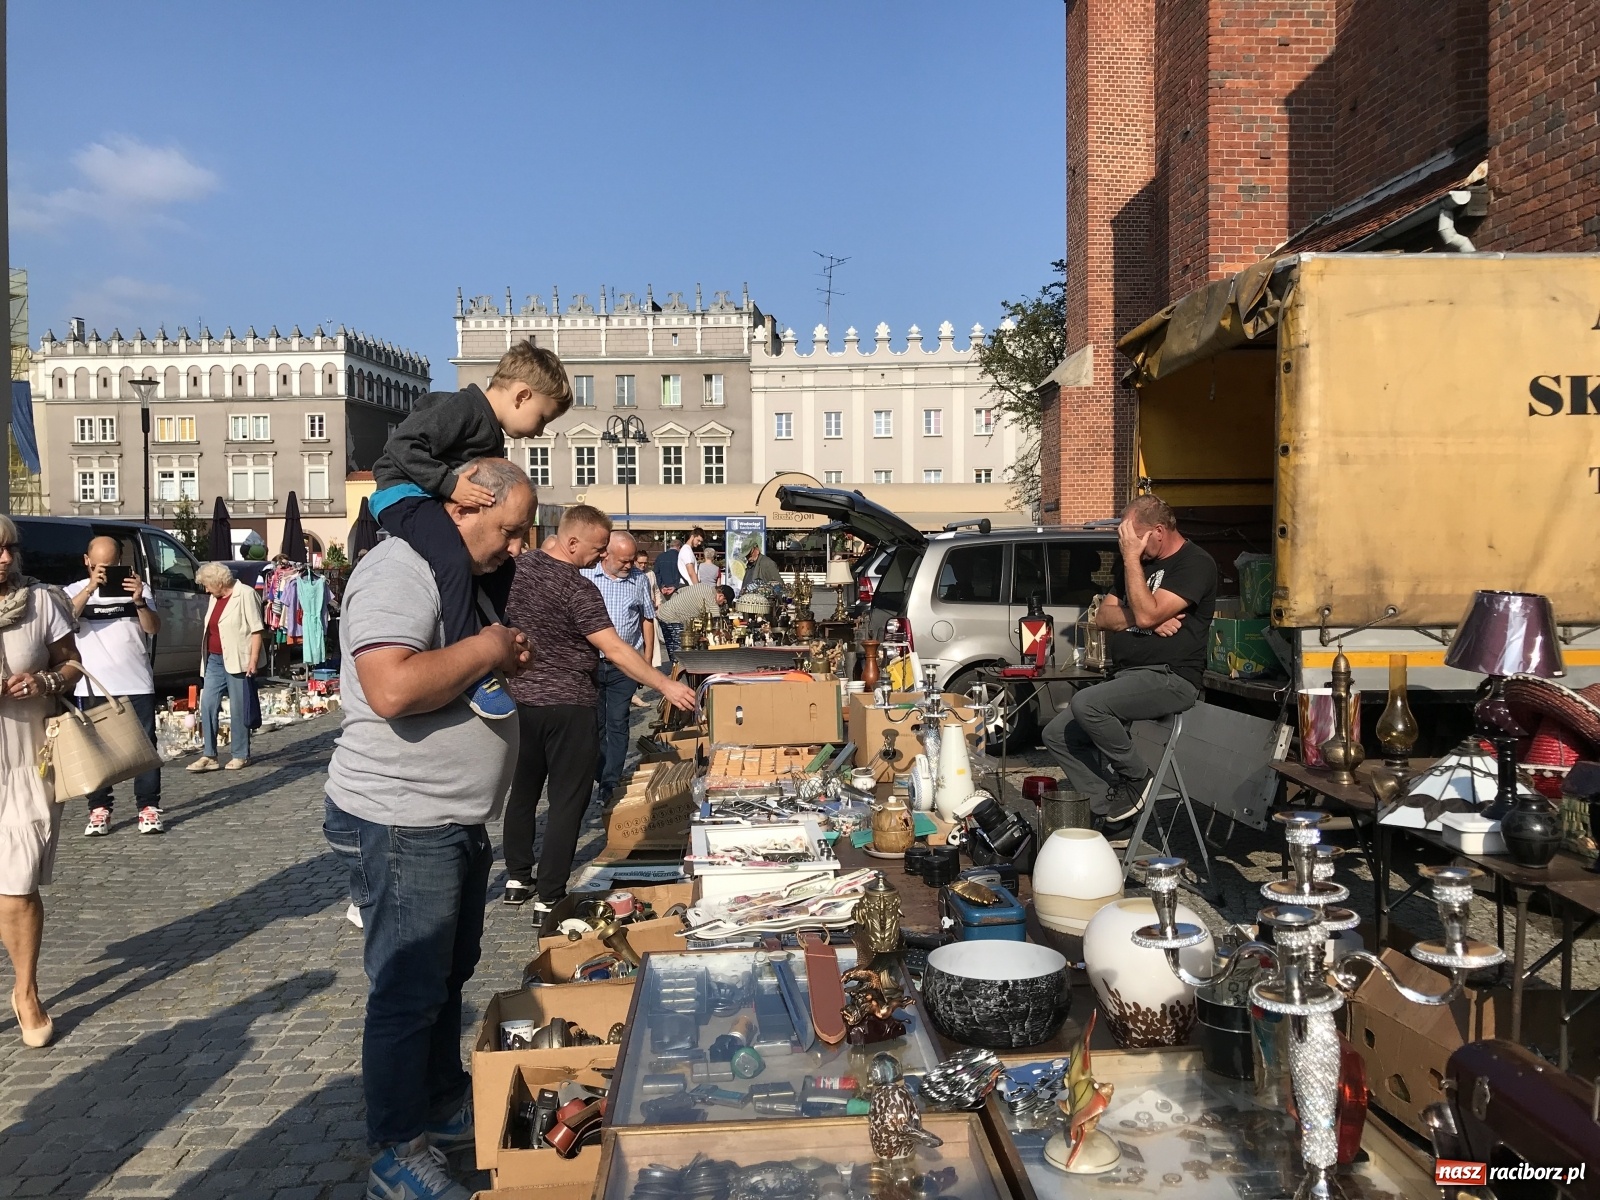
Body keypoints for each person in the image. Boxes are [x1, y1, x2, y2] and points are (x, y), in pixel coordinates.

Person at [324, 457, 535, 1200]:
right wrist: (487, 648)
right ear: (467, 506)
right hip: (403, 813)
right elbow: (390, 686)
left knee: (447, 976)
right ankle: (394, 1147)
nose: (514, 547)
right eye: (508, 531)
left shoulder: (456, 573)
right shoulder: (399, 569)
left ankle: (439, 1104)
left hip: (447, 815)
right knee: (408, 989)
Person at [501, 506, 695, 918]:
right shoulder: (578, 589)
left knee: (523, 791)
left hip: (520, 701)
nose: (600, 556)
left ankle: (517, 876)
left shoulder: (519, 569)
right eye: (597, 548)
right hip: (569, 704)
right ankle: (549, 895)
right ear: (572, 543)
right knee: (568, 800)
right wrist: (663, 683)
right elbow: (616, 648)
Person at [368, 340, 572, 719]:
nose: (540, 431)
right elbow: (402, 445)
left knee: (504, 563)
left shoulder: (490, 429)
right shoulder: (463, 408)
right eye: (542, 418)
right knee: (451, 554)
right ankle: (470, 663)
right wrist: (449, 485)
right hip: (402, 493)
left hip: (428, 494)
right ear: (522, 395)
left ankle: (498, 630)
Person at [1041, 495, 1217, 838]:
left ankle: (1136, 777)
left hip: (1172, 676)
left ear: (1159, 532)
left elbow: (1148, 612)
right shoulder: (1134, 563)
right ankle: (1113, 813)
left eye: (1135, 538)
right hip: (1127, 676)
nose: (1128, 546)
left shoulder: (1194, 563)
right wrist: (1148, 618)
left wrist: (1143, 601)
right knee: (1056, 734)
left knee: (1086, 703)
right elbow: (1103, 618)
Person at [0, 514, 84, 1048]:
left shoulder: (40, 602)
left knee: (18, 886)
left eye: (9, 549)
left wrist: (47, 680)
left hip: (28, 760)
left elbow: (74, 665)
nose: (4, 559)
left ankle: (26, 990)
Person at [64, 536, 164, 835]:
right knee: (94, 748)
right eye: (98, 566)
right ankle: (99, 809)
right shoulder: (72, 591)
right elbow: (64, 619)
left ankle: (148, 807)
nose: (104, 572)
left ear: (121, 562)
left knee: (144, 746)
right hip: (92, 685)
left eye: (110, 566)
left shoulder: (138, 588)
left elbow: (153, 628)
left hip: (135, 681)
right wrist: (91, 587)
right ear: (87, 562)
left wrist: (139, 602)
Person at [583, 531, 658, 786]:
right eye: (624, 561)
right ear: (606, 554)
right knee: (595, 725)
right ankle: (600, 770)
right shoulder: (586, 575)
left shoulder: (639, 580)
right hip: (591, 662)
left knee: (618, 721)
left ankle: (610, 781)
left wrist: (646, 660)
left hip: (625, 664)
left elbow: (648, 618)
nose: (630, 565)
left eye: (632, 560)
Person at [189, 563, 265, 772]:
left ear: (218, 582)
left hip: (239, 658)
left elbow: (256, 629)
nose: (205, 590)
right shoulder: (215, 597)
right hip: (214, 658)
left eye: (207, 585)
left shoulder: (245, 594)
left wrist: (253, 659)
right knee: (207, 704)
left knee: (239, 708)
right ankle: (209, 754)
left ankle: (241, 754)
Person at [653, 535, 688, 665]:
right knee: (677, 622)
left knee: (665, 620)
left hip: (663, 591)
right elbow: (682, 575)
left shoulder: (660, 557)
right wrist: (674, 586)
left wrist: (662, 586)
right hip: (676, 592)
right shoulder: (680, 558)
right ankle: (677, 654)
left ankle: (669, 648)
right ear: (679, 547)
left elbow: (656, 573)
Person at [657, 579, 730, 627]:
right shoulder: (712, 600)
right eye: (723, 603)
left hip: (663, 611)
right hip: (671, 619)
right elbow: (717, 622)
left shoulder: (702, 585)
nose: (721, 605)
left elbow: (678, 592)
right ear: (721, 596)